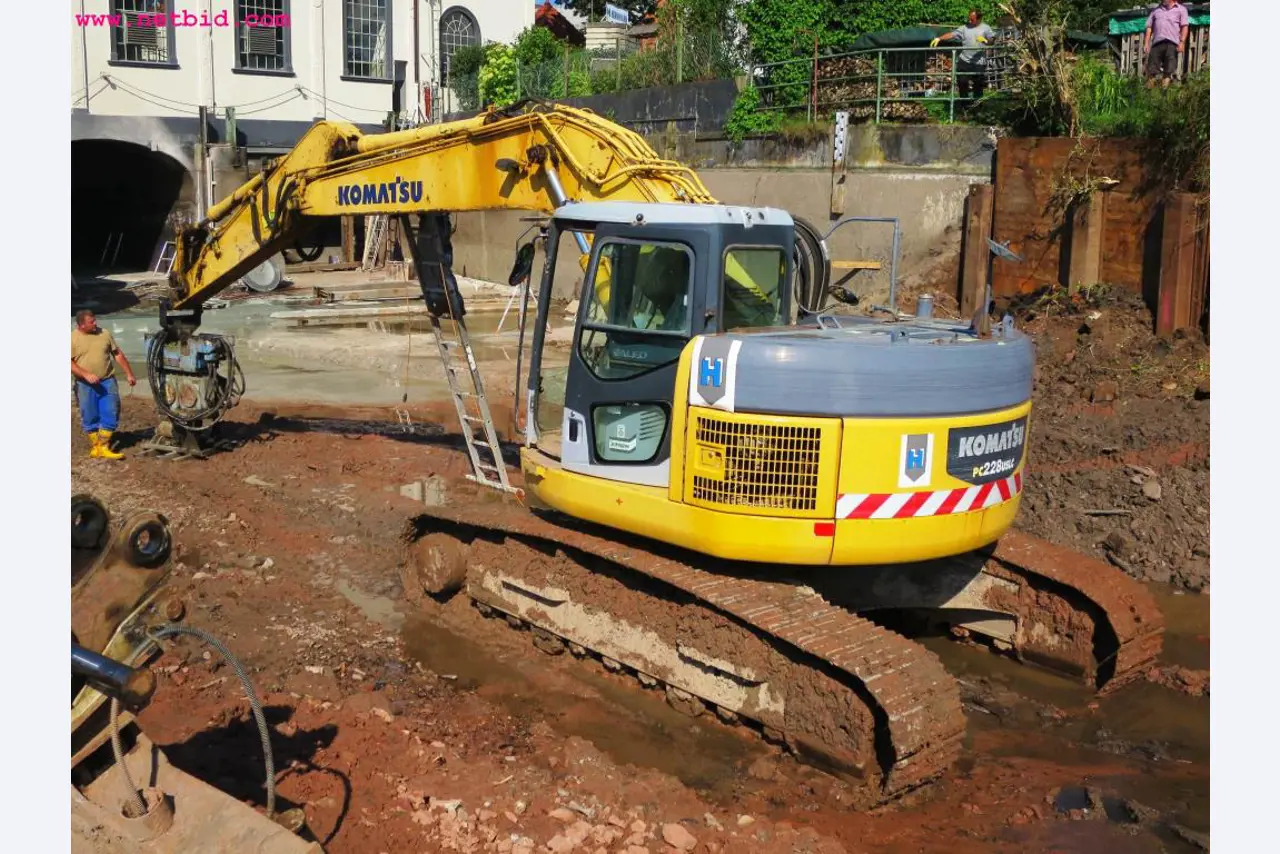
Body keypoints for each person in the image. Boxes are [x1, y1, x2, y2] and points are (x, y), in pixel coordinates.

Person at [71, 309, 136, 459]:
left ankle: (104, 447)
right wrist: (85, 374)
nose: (95, 323)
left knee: (111, 411)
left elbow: (117, 353)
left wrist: (129, 373)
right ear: (81, 325)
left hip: (107, 381)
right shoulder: (72, 339)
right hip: (84, 385)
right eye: (91, 322)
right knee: (89, 414)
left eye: (95, 320)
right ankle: (96, 447)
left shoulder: (104, 334)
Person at [932, 9, 997, 103]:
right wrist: (939, 38)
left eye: (972, 19)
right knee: (962, 82)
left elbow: (992, 39)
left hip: (979, 62)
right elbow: (952, 34)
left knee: (978, 85)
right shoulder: (964, 28)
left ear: (979, 19)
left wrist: (986, 41)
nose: (970, 21)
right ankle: (964, 105)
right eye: (969, 19)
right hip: (964, 60)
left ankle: (977, 106)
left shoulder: (985, 28)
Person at [1143, 0, 1189, 89]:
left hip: (1172, 44)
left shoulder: (1181, 9)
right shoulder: (1155, 11)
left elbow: (1184, 27)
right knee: (1151, 70)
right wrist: (1146, 43)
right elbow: (1149, 27)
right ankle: (1148, 93)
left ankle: (1164, 92)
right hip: (1157, 43)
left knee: (1168, 70)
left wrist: (1182, 42)